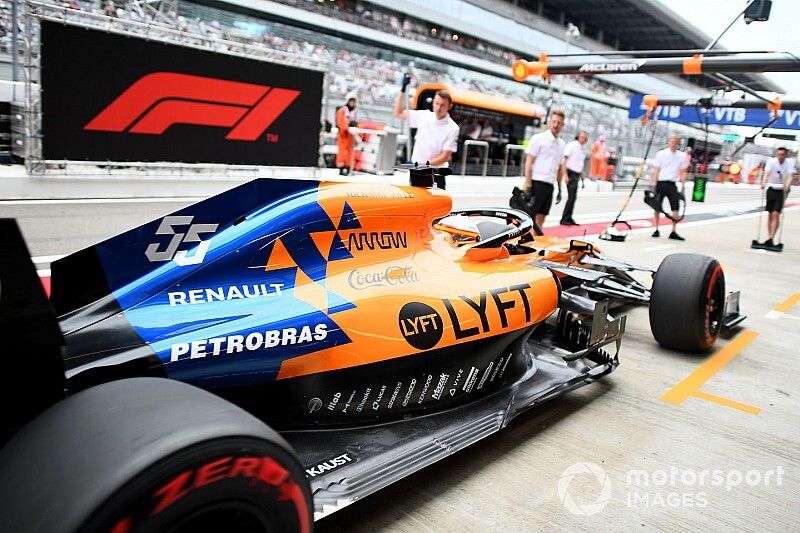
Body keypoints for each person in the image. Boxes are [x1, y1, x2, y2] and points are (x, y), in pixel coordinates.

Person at [394, 74, 459, 189]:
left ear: (449, 106)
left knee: (436, 201)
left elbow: (445, 156)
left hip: (436, 172)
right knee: (415, 199)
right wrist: (403, 90)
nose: (439, 108)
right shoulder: (424, 116)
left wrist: (424, 164)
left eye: (443, 105)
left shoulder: (453, 128)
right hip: (417, 170)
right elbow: (398, 113)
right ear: (433, 102)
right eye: (437, 103)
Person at [522, 110, 567, 231]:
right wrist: (528, 185)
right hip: (536, 183)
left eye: (559, 123)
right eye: (554, 121)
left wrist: (559, 189)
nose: (556, 125)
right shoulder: (538, 139)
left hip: (549, 185)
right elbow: (529, 162)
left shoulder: (561, 144)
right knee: (529, 218)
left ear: (563, 125)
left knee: (542, 217)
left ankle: (537, 241)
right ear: (549, 122)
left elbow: (559, 168)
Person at [650, 135, 689, 240]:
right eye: (672, 142)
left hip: (672, 183)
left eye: (676, 142)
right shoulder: (661, 154)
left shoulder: (681, 156)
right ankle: (656, 229)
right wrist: (653, 183)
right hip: (660, 182)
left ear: (678, 144)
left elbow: (683, 171)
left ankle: (673, 231)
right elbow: (656, 169)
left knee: (675, 206)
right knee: (657, 206)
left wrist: (683, 185)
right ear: (668, 142)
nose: (674, 144)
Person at [759, 147, 795, 247]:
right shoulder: (771, 161)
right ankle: (769, 237)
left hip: (781, 190)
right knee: (770, 214)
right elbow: (766, 173)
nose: (780, 157)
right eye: (779, 154)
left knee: (776, 213)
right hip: (771, 188)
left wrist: (787, 186)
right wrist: (763, 182)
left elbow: (790, 175)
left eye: (782, 155)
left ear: (786, 155)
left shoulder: (790, 163)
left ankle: (771, 237)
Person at [560, 130, 587, 225]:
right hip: (570, 173)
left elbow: (581, 165)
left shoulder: (581, 149)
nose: (583, 139)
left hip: (576, 174)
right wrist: (565, 175)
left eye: (585, 138)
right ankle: (564, 218)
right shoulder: (572, 145)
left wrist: (582, 179)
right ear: (577, 136)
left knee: (573, 197)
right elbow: (564, 160)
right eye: (582, 137)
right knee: (571, 197)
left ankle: (569, 217)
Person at [335, 93, 358, 175]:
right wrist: (347, 128)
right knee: (342, 151)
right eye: (351, 101)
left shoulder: (354, 112)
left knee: (349, 152)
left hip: (350, 135)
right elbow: (340, 123)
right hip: (343, 135)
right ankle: (341, 168)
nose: (352, 103)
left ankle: (348, 167)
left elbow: (355, 122)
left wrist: (354, 128)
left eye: (354, 102)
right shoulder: (342, 111)